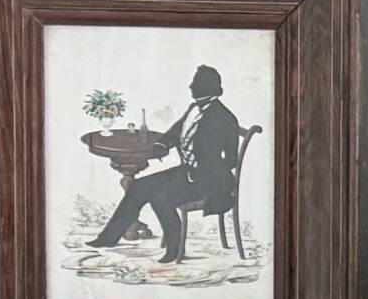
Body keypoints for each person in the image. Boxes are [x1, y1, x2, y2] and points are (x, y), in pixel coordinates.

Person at [86, 64, 248, 266]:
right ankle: (108, 238)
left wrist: (204, 173)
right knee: (139, 185)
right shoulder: (193, 108)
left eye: (195, 82)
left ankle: (174, 249)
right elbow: (176, 131)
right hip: (187, 172)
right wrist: (163, 143)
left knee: (160, 198)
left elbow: (231, 159)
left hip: (212, 182)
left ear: (206, 86)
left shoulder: (225, 118)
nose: (190, 86)